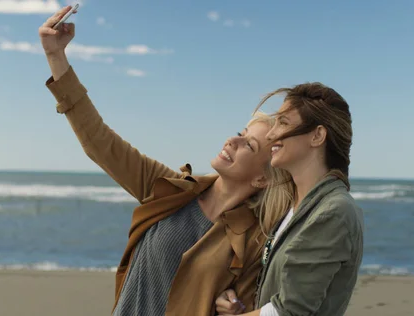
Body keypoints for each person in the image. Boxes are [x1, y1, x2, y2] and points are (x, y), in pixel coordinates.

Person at [38, 6, 295, 316]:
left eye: (249, 145)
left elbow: (258, 306)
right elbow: (100, 142)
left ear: (262, 178)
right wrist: (56, 57)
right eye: (239, 133)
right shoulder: (170, 189)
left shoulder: (253, 242)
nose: (233, 140)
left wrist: (236, 308)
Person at [215, 82, 364, 316]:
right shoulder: (296, 208)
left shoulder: (333, 211)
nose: (272, 134)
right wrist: (238, 303)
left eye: (283, 123)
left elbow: (289, 311)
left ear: (317, 136)